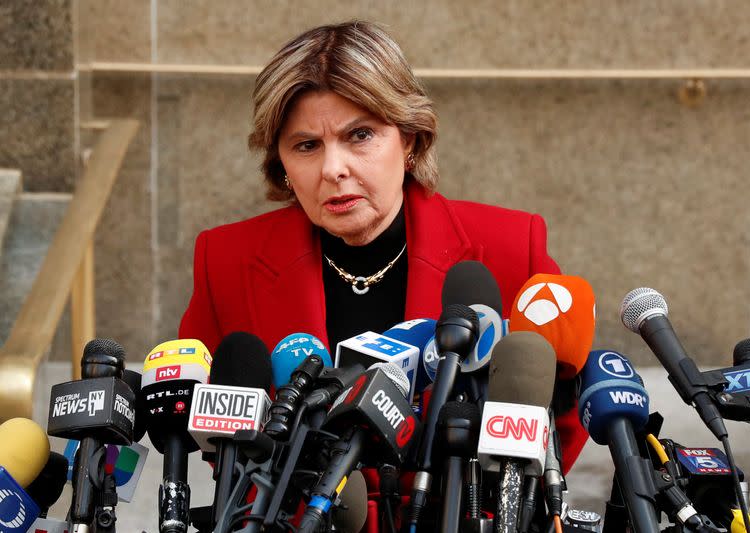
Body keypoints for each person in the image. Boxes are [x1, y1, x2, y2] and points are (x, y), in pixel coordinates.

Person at [179, 18, 587, 520]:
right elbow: (217, 442)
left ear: (410, 140)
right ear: (281, 163)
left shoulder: (510, 248)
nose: (333, 169)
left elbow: (560, 421)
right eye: (306, 146)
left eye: (361, 135)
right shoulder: (226, 260)